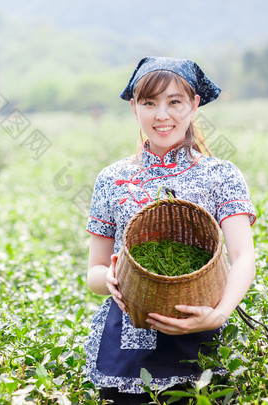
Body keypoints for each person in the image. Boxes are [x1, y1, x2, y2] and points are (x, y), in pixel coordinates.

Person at [85, 56, 257, 404]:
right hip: (127, 352)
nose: (161, 115)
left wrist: (217, 314)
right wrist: (113, 279)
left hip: (203, 337)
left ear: (194, 105)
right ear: (135, 108)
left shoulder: (221, 175)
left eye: (174, 102)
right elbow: (94, 273)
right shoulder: (112, 179)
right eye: (149, 103)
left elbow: (242, 256)